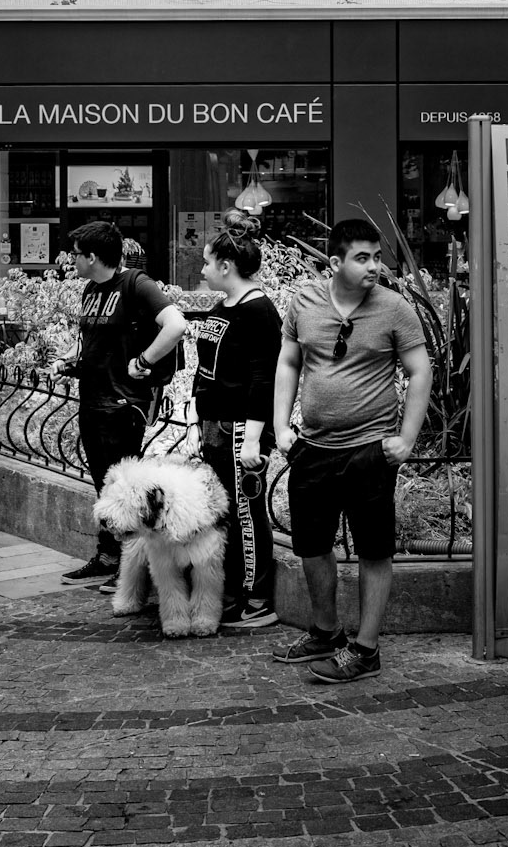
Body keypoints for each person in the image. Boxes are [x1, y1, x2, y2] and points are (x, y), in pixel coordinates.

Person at [272, 216, 432, 684]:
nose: (374, 267)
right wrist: (282, 426)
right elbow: (288, 360)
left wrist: (406, 438)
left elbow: (419, 372)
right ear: (336, 261)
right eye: (362, 258)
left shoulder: (394, 307)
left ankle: (366, 649)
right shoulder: (304, 301)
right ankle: (326, 632)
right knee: (312, 546)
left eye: (377, 257)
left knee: (374, 551)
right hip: (313, 448)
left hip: (369, 451)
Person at [62, 218, 187, 587]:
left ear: (94, 256)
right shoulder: (91, 290)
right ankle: (107, 556)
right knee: (103, 485)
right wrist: (66, 359)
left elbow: (176, 325)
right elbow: (88, 340)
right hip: (92, 397)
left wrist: (145, 361)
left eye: (77, 254)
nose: (73, 260)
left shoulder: (136, 284)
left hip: (122, 402)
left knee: (123, 490)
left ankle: (129, 572)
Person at [188, 224, 281, 630]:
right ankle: (234, 594)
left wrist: (255, 437)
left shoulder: (259, 310)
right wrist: (198, 421)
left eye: (207, 261)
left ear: (226, 265)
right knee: (226, 513)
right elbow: (206, 371)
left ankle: (257, 600)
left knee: (247, 513)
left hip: (242, 430)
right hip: (216, 426)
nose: (203, 268)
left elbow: (265, 378)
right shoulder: (225, 305)